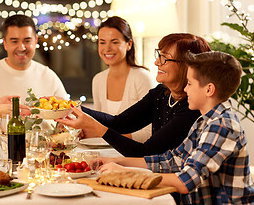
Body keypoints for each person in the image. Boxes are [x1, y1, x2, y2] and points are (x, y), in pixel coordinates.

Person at [98, 51, 254, 204]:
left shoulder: (221, 126)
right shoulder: (205, 120)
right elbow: (173, 160)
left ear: (209, 90)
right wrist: (116, 161)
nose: (185, 89)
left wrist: (124, 173)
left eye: (190, 84)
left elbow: (186, 182)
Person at [57, 33, 211, 157]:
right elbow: (120, 123)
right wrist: (69, 106)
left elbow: (145, 152)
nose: (157, 62)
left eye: (164, 57)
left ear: (186, 65)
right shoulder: (161, 93)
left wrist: (94, 127)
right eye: (159, 55)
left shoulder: (192, 108)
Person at [0, 14, 67, 109]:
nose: (21, 47)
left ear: (35, 41)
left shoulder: (49, 76)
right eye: (14, 41)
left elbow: (69, 115)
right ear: (5, 43)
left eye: (27, 41)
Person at [93, 16, 155, 142]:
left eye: (114, 42)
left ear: (129, 44)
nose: (107, 48)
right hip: (104, 152)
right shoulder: (98, 80)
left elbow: (150, 131)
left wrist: (110, 138)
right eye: (102, 42)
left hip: (136, 155)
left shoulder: (142, 78)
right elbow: (98, 125)